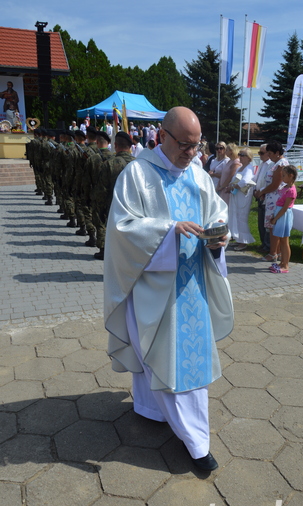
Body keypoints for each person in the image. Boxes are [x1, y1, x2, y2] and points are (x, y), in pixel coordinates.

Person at [104, 106, 233, 472]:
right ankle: (186, 437)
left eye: (197, 145)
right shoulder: (137, 175)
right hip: (151, 285)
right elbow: (122, 229)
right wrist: (167, 231)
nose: (192, 153)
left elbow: (217, 212)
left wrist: (219, 233)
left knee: (183, 365)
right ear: (162, 136)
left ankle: (191, 437)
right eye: (185, 145)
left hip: (191, 285)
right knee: (159, 356)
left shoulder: (198, 175)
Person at [91, 131, 134, 260]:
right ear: (130, 147)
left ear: (115, 145)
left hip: (114, 210)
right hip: (135, 210)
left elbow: (101, 192)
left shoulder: (109, 164)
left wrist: (99, 210)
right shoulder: (140, 164)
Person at [255, 141, 289, 263]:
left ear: (277, 153)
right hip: (272, 199)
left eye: (270, 153)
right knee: (272, 226)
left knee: (273, 226)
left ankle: (273, 252)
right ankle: (276, 251)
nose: (269, 156)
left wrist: (262, 191)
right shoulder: (276, 163)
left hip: (276, 200)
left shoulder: (281, 164)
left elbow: (275, 184)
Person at [269, 165, 298, 273]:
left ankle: (285, 264)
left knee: (285, 240)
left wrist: (275, 218)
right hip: (279, 213)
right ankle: (282, 262)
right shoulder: (285, 187)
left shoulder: (291, 190)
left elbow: (285, 208)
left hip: (283, 216)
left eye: (284, 175)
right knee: (281, 240)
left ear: (291, 176)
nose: (282, 177)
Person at [227, 147, 256, 251]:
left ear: (248, 158)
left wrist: (233, 186)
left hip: (243, 195)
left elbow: (245, 181)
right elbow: (235, 179)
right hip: (236, 194)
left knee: (241, 218)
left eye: (242, 155)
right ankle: (238, 239)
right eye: (239, 154)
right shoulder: (240, 168)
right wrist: (231, 185)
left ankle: (244, 242)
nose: (240, 157)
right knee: (235, 215)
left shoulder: (249, 168)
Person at [253, 144, 272, 252]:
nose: (259, 155)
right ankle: (263, 243)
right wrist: (255, 189)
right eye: (259, 153)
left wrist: (262, 191)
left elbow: (268, 181)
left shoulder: (271, 164)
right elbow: (257, 178)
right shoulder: (262, 164)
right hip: (259, 194)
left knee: (266, 222)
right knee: (261, 222)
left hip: (265, 195)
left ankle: (267, 245)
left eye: (262, 153)